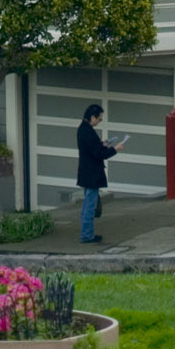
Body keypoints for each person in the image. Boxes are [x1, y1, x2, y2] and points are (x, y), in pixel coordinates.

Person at [76, 101, 119, 245]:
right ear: (92, 117)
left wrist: (102, 144)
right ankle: (87, 235)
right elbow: (98, 154)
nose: (99, 122)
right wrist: (115, 149)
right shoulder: (87, 131)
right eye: (99, 119)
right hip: (91, 173)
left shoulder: (83, 129)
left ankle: (87, 233)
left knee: (88, 204)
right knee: (90, 205)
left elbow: (94, 149)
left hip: (87, 172)